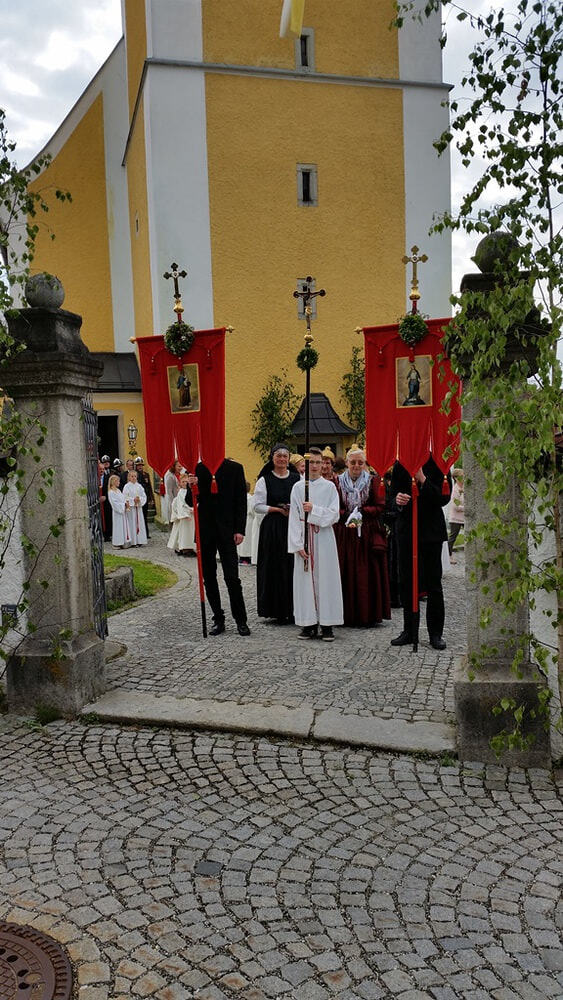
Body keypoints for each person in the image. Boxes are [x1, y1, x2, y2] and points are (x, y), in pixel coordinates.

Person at [389, 456, 451, 650]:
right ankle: (409, 630)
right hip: (407, 532)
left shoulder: (440, 462)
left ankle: (435, 633)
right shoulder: (401, 463)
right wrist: (397, 501)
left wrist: (423, 479)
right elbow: (390, 497)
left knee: (434, 584)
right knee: (407, 582)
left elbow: (444, 498)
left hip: (431, 533)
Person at [187, 459, 250, 636]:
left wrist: (240, 529)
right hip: (206, 530)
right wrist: (191, 486)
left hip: (227, 530)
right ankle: (218, 618)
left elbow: (241, 501)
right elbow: (190, 502)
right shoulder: (198, 468)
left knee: (232, 578)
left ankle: (241, 620)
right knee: (209, 577)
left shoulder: (235, 468)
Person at [288, 446, 343, 641]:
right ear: (306, 464)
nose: (315, 466)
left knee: (327, 579)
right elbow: (294, 516)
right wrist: (297, 544)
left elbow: (334, 514)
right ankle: (308, 623)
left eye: (319, 462)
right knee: (304, 581)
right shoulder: (298, 487)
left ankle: (327, 624)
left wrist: (314, 510)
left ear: (323, 465)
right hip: (304, 536)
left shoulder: (329, 487)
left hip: (324, 538)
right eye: (311, 462)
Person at [336, 446, 391, 627]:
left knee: (366, 573)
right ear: (347, 463)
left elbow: (380, 505)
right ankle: (346, 613)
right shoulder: (337, 482)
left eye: (360, 462)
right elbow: (334, 505)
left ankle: (368, 614)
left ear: (365, 464)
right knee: (346, 570)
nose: (356, 466)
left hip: (366, 531)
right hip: (345, 532)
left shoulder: (373, 481)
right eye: (353, 462)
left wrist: (362, 512)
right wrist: (346, 514)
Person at [254, 443, 300, 624]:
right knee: (274, 566)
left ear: (289, 459)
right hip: (273, 528)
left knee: (292, 565)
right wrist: (277, 509)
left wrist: (293, 509)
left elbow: (303, 499)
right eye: (278, 456)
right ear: (272, 458)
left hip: (292, 525)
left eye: (285, 456)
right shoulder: (264, 480)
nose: (282, 459)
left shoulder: (297, 478)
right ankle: (275, 609)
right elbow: (257, 506)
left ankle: (294, 608)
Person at [167, 472, 196, 555]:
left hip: (193, 515)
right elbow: (181, 505)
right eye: (183, 482)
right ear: (180, 483)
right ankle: (185, 548)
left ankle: (192, 548)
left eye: (186, 482)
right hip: (185, 516)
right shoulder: (180, 493)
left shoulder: (192, 491)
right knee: (184, 533)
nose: (185, 483)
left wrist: (195, 509)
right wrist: (185, 514)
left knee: (192, 532)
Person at [122, 470, 147, 546]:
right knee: (132, 524)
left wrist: (139, 500)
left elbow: (144, 496)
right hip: (131, 509)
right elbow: (124, 497)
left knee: (139, 523)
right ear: (129, 477)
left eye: (135, 476)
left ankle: (140, 540)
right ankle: (133, 541)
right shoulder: (126, 486)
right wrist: (133, 500)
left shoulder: (139, 486)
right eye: (132, 476)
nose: (133, 478)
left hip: (138, 508)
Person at [134, 456, 154, 539]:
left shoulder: (146, 474)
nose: (140, 467)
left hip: (145, 498)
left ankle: (146, 533)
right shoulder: (134, 475)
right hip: (137, 498)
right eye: (138, 465)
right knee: (138, 517)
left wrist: (151, 498)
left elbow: (149, 487)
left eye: (141, 465)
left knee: (144, 516)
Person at [107, 475, 129, 548]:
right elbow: (114, 503)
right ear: (114, 482)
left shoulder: (118, 491)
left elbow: (123, 499)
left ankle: (123, 542)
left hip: (122, 512)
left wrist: (126, 503)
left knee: (123, 526)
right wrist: (123, 505)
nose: (119, 482)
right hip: (117, 512)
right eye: (118, 481)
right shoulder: (111, 492)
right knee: (118, 527)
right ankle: (117, 542)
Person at [448, 468, 464, 563]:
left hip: (464, 518)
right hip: (455, 518)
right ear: (456, 478)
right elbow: (456, 506)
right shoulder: (455, 490)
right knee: (453, 538)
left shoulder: (464, 488)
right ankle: (449, 556)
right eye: (461, 477)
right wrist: (467, 508)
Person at [238, 481, 254, 564]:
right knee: (248, 539)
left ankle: (241, 555)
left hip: (242, 518)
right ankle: (246, 556)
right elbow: (252, 510)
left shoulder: (239, 497)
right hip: (249, 519)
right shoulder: (250, 498)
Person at [163, 460, 181, 525]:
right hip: (174, 500)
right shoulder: (170, 476)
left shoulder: (180, 475)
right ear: (174, 467)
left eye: (181, 466)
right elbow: (169, 491)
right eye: (179, 466)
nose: (180, 468)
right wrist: (174, 502)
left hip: (181, 500)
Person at [100, 455, 112, 541]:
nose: (102, 471)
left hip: (106, 501)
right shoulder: (94, 477)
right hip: (97, 501)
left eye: (103, 469)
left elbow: (111, 488)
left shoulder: (108, 477)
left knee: (107, 517)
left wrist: (106, 496)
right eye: (100, 469)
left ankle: (107, 534)